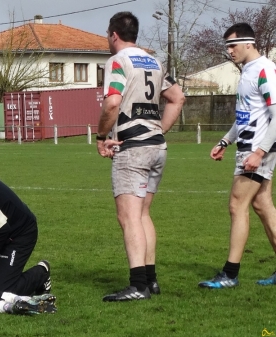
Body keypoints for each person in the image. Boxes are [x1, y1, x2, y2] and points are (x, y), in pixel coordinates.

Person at [96, 11, 185, 301]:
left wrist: (100, 137)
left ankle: (137, 286)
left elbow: (112, 103)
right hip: (157, 147)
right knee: (143, 214)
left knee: (128, 217)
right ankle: (151, 280)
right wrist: (160, 129)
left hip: (132, 149)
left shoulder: (118, 61)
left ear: (113, 35)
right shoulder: (153, 60)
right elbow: (177, 97)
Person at [198, 23, 276, 289]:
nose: (229, 51)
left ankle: (230, 274)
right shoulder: (247, 71)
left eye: (232, 46)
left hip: (257, 149)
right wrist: (225, 141)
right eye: (227, 47)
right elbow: (245, 116)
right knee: (262, 206)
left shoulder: (264, 69)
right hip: (248, 146)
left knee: (236, 205)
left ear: (248, 43)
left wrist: (259, 151)